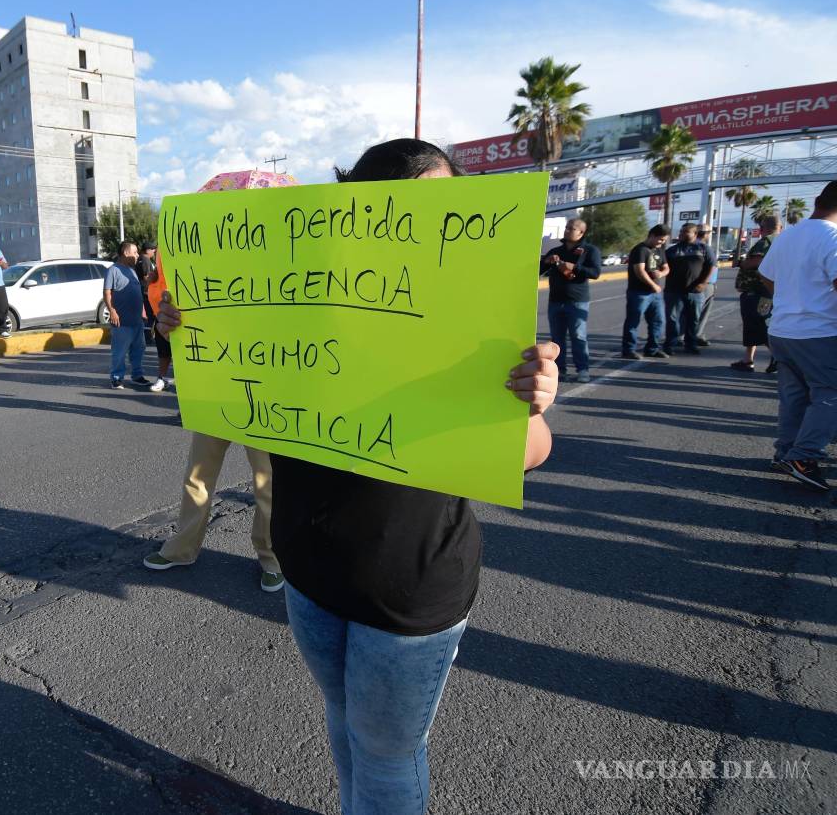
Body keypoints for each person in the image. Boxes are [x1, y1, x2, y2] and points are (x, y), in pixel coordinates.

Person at [155, 138, 559, 815]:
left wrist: (532, 398)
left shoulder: (472, 313)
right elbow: (236, 398)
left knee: (388, 752)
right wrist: (192, 334)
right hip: (310, 574)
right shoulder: (290, 297)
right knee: (344, 723)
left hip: (409, 587)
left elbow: (531, 451)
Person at [759, 181, 837, 492]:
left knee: (794, 396)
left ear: (818, 200)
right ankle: (803, 457)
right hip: (819, 331)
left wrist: (791, 299)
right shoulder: (833, 237)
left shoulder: (788, 235)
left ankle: (786, 452)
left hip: (782, 330)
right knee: (830, 394)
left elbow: (765, 274)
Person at [142, 432, 282, 591]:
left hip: (258, 411)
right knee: (197, 477)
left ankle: (272, 560)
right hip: (212, 409)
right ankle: (182, 549)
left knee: (267, 484)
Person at [540, 218, 601, 382]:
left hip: (577, 301)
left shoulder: (590, 250)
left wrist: (574, 267)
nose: (567, 230)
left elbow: (595, 273)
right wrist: (546, 261)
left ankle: (583, 370)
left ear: (581, 232)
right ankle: (560, 370)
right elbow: (539, 270)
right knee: (557, 339)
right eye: (566, 227)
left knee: (578, 336)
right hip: (555, 301)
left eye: (571, 228)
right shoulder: (556, 250)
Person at [731, 216, 780, 373]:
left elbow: (757, 261)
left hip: (757, 291)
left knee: (759, 324)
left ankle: (779, 358)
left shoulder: (766, 241)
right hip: (766, 290)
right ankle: (748, 360)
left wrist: (741, 263)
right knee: (753, 325)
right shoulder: (781, 241)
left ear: (763, 227)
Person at [662, 222, 715, 354]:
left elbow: (711, 266)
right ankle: (670, 344)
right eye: (681, 231)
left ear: (695, 234)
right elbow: (662, 265)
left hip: (695, 292)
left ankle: (691, 344)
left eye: (686, 231)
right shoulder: (672, 250)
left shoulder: (703, 249)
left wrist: (703, 283)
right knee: (673, 319)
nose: (682, 234)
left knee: (693, 319)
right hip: (674, 291)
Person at [620, 225, 671, 359]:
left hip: (655, 294)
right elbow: (639, 270)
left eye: (664, 240)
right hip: (639, 293)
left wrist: (661, 273)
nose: (662, 242)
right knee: (633, 321)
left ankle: (652, 348)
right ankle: (629, 349)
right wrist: (652, 285)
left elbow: (666, 267)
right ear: (652, 235)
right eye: (660, 239)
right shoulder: (640, 250)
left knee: (658, 321)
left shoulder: (660, 250)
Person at [103, 240, 149, 389]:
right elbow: (107, 292)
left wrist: (143, 311)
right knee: (119, 352)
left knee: (138, 350)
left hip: (137, 321)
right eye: (135, 252)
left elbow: (137, 293)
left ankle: (137, 375)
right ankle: (116, 378)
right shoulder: (113, 270)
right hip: (121, 321)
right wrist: (112, 310)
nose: (137, 255)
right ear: (125, 253)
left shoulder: (132, 271)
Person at [143, 242, 173, 392]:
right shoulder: (162, 248)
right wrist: (152, 279)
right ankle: (161, 378)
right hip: (159, 312)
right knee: (163, 350)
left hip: (178, 310)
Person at [693, 222, 718, 345]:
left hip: (695, 282)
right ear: (706, 234)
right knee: (702, 312)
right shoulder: (705, 247)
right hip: (706, 284)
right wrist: (705, 282)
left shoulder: (691, 246)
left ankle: (688, 335)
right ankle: (696, 335)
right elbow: (712, 266)